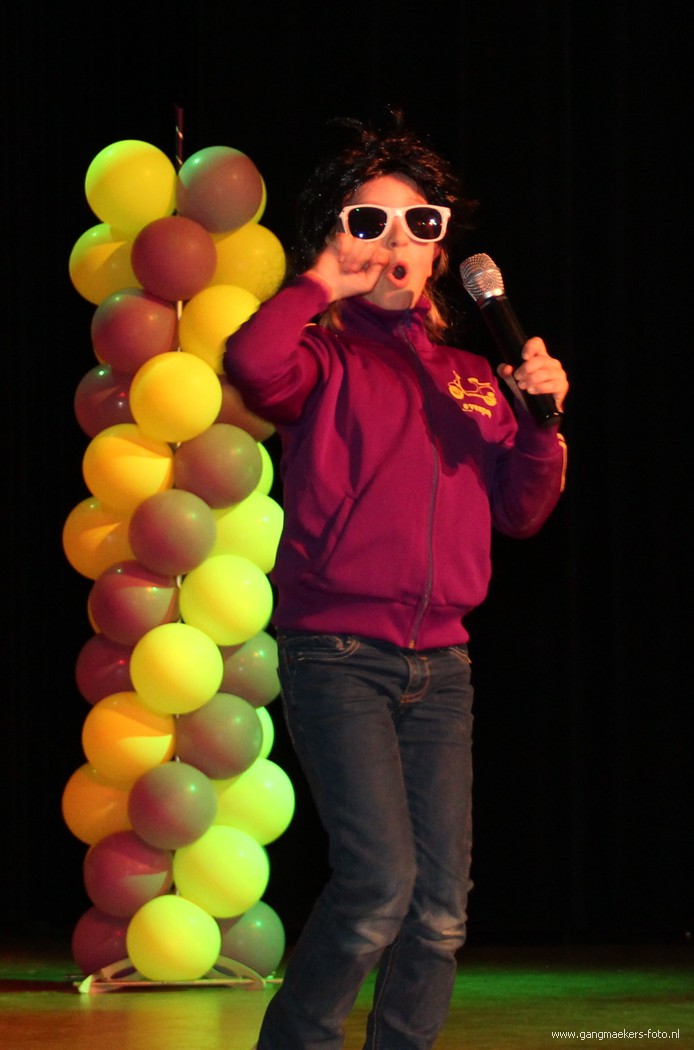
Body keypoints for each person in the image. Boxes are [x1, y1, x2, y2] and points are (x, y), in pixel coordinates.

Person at [223, 112, 569, 1050]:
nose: (396, 243)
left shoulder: (473, 374)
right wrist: (319, 284)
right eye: (368, 223)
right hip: (339, 655)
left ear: (441, 249)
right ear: (338, 240)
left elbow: (522, 511)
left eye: (420, 224)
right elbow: (250, 364)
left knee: (441, 911)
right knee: (378, 886)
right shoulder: (322, 356)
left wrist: (541, 425)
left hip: (442, 667)